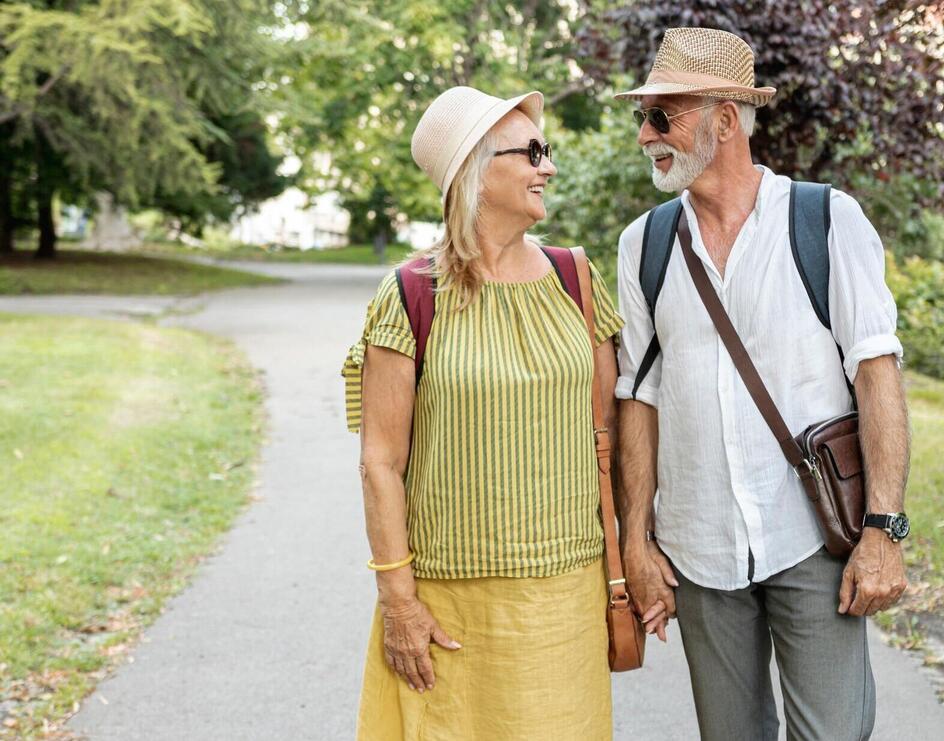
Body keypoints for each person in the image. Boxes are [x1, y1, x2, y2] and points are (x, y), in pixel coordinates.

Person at [612, 28, 911, 740]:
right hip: (698, 547)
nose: (647, 136)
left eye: (664, 116)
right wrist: (635, 541)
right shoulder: (644, 244)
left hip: (808, 535)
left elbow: (877, 376)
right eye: (642, 117)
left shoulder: (826, 220)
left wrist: (883, 529)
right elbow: (637, 398)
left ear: (724, 119)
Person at [340, 85, 623, 741]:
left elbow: (611, 432)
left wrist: (632, 553)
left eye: (544, 151)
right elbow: (379, 461)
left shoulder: (576, 281)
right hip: (447, 607)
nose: (547, 167)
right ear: (474, 169)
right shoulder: (410, 293)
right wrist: (399, 600)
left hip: (564, 601)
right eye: (531, 153)